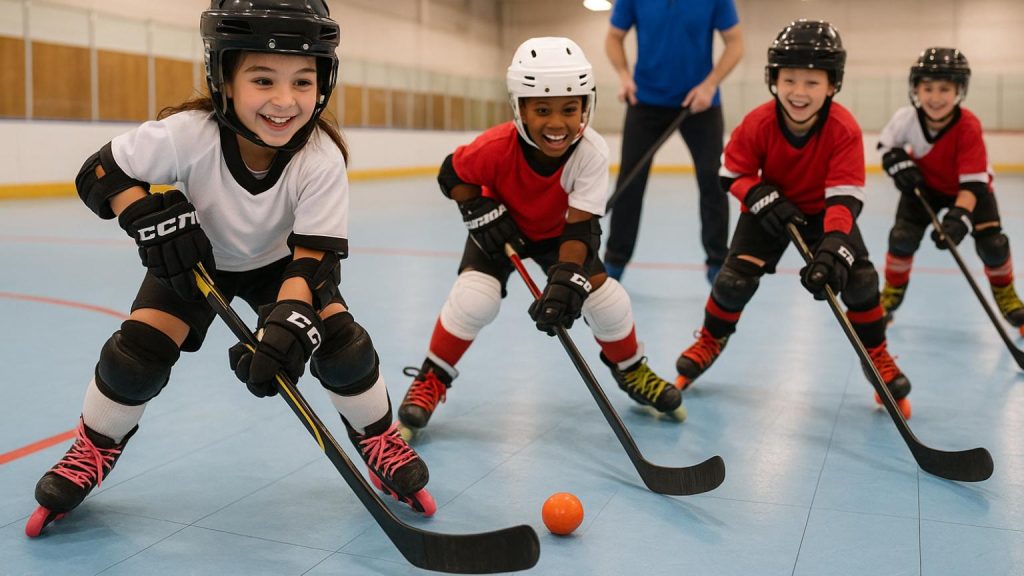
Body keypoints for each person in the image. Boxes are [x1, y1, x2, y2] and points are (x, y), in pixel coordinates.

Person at [26, 0, 434, 537]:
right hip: (196, 262)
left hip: (284, 267)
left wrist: (289, 318)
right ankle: (93, 448)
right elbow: (98, 172)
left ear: (324, 83)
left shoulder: (321, 157)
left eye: (303, 82)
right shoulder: (186, 134)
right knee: (135, 356)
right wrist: (143, 213)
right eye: (263, 79)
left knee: (342, 346)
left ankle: (377, 437)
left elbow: (312, 258)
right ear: (223, 77)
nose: (285, 102)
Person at [396, 37, 683, 436]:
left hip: (560, 235)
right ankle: (431, 377)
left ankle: (632, 371)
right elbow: (452, 174)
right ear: (521, 109)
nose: (557, 123)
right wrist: (476, 208)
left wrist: (567, 278)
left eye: (570, 109)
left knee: (608, 301)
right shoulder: (495, 146)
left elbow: (581, 226)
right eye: (542, 109)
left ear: (586, 106)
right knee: (473, 299)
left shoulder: (591, 152)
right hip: (500, 231)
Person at [673, 20, 914, 419]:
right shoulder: (758, 122)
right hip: (769, 209)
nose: (798, 92)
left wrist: (832, 248)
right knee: (732, 282)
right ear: (773, 79)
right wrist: (760, 194)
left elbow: (845, 196)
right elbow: (730, 172)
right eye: (789, 80)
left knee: (861, 281)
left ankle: (876, 353)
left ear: (833, 85)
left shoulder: (843, 129)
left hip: (825, 211)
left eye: (812, 83)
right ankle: (711, 339)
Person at [878, 47, 1024, 330]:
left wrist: (959, 218)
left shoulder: (968, 125)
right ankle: (890, 298)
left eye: (944, 89)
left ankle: (1008, 298)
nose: (935, 98)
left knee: (993, 246)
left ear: (959, 90)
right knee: (902, 238)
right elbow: (887, 147)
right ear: (916, 90)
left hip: (970, 190)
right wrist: (897, 164)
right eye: (927, 88)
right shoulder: (906, 118)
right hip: (926, 189)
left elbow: (973, 182)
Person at [603, 0, 744, 283]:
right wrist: (624, 76)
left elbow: (736, 42)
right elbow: (613, 37)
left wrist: (710, 84)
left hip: (700, 102)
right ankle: (613, 264)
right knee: (629, 182)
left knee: (713, 181)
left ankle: (718, 263)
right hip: (645, 101)